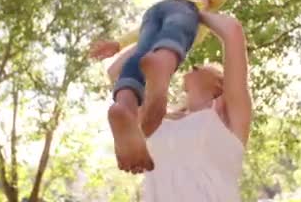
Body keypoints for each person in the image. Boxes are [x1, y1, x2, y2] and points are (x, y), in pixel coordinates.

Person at [90, 0, 278, 172]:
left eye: (205, 66)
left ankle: (125, 105)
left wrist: (120, 44)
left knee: (140, 56)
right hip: (184, 13)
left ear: (221, 86)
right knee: (174, 36)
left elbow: (138, 42)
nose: (194, 64)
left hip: (151, 16)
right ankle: (163, 63)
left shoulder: (223, 113)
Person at [107, 11, 253, 201]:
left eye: (199, 67)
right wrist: (159, 34)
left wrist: (190, 10)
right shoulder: (156, 118)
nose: (191, 66)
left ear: (219, 84)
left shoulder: (229, 115)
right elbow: (116, 72)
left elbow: (232, 31)